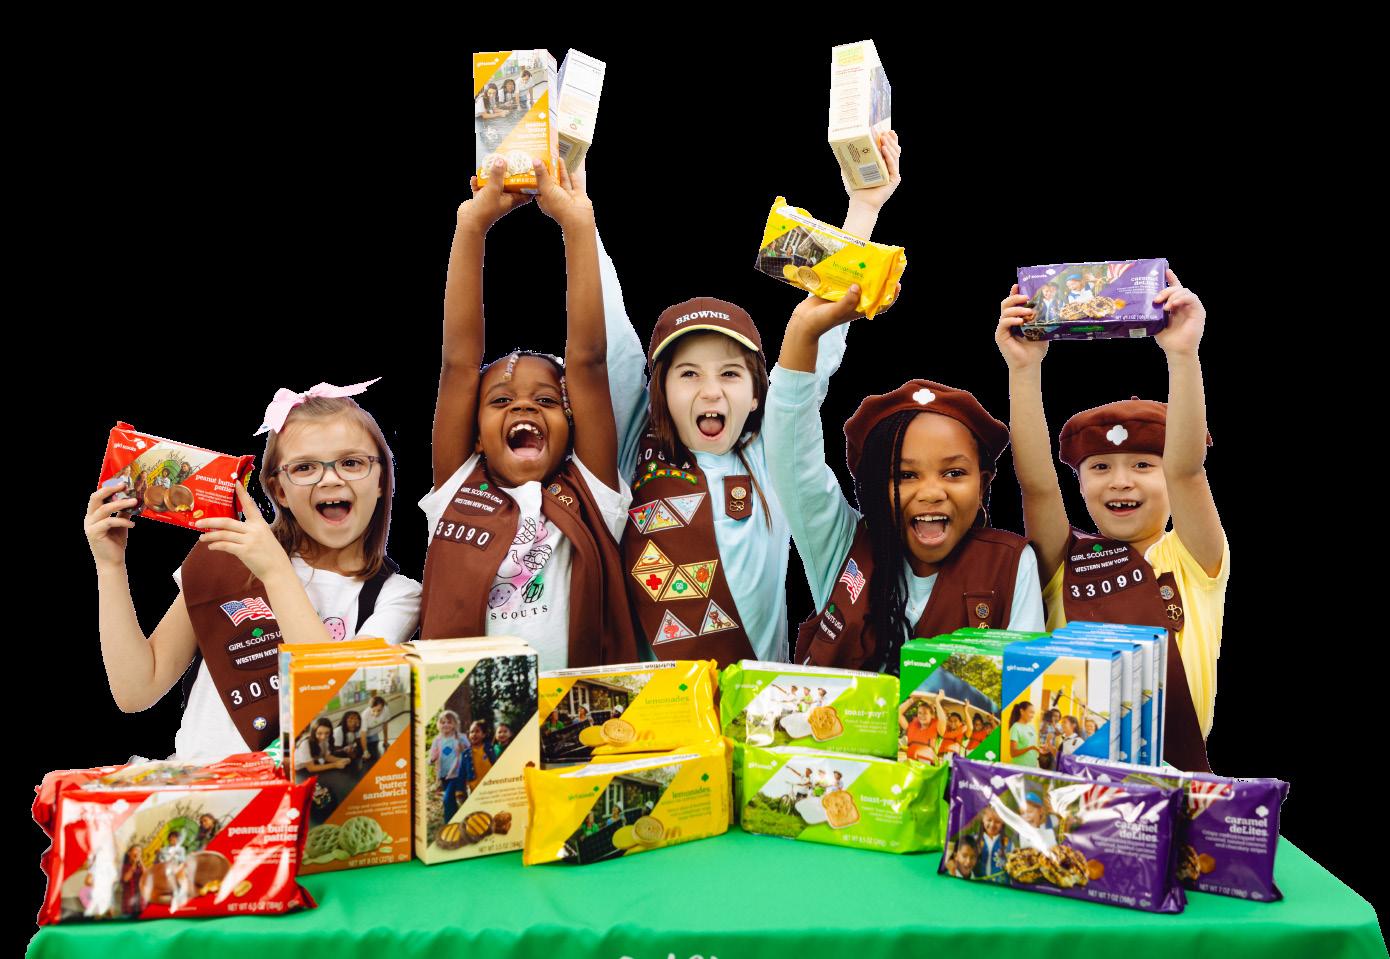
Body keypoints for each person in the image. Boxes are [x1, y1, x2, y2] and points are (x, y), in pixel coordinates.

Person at [603, 133, 903, 665]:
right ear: (659, 391)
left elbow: (818, 340)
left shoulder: (770, 455)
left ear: (758, 392)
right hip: (658, 706)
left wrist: (863, 206)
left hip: (758, 701)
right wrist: (577, 214)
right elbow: (608, 341)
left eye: (730, 374)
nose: (711, 391)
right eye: (688, 374)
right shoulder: (631, 451)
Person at [86, 383, 421, 761]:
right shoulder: (225, 556)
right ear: (279, 490)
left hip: (300, 795)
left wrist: (276, 573)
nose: (330, 479)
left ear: (381, 479)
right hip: (198, 790)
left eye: (352, 463)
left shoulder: (398, 596)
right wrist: (110, 566)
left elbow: (336, 707)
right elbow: (136, 690)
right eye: (305, 467)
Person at [996, 269, 1225, 772]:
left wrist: (1183, 355)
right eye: (1099, 468)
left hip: (1174, 778)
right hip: (1067, 777)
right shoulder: (1065, 563)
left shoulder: (1192, 559)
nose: (1120, 482)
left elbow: (1187, 470)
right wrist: (1023, 369)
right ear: (1080, 482)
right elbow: (1037, 486)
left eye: (1143, 465)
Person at [419, 158, 636, 670]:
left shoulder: (592, 492)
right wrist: (471, 226)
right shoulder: (457, 488)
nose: (522, 406)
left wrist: (577, 224)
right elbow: (458, 364)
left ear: (571, 426)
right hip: (469, 714)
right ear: (475, 435)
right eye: (500, 401)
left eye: (546, 401)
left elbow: (588, 360)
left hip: (581, 714)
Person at [768, 352, 1046, 671]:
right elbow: (792, 456)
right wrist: (805, 333)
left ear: (982, 485)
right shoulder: (842, 547)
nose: (931, 493)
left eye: (954, 473)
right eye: (905, 475)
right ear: (874, 487)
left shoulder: (1011, 564)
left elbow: (1026, 682)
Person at [429, 709, 473, 823]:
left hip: (457, 773)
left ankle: (449, 823)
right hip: (444, 774)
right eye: (443, 722)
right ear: (439, 724)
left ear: (454, 724)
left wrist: (463, 749)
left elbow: (470, 751)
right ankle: (461, 820)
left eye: (449, 722)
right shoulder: (437, 740)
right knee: (453, 799)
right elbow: (431, 757)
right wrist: (432, 759)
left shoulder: (460, 737)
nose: (446, 725)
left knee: (447, 798)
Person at [900, 697, 944, 763]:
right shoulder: (911, 727)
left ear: (932, 715)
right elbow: (898, 713)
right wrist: (913, 699)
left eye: (925, 713)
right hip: (911, 764)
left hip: (927, 766)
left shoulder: (938, 729)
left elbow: (942, 720)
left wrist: (937, 702)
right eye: (919, 713)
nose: (922, 716)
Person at [973, 805, 1009, 883]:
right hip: (977, 884)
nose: (992, 825)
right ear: (983, 819)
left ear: (1003, 822)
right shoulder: (973, 840)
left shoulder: (1009, 844)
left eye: (997, 821)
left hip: (1002, 886)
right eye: (989, 820)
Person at [1008, 702, 1041, 767]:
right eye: (1031, 712)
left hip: (1033, 766)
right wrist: (1031, 748)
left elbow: (1033, 744)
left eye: (1033, 713)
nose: (1032, 716)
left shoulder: (1032, 726)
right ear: (1022, 711)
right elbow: (1013, 753)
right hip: (1020, 768)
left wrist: (1040, 748)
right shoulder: (1015, 727)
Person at [468, 719, 494, 789]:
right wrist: (459, 790)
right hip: (474, 788)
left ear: (483, 735)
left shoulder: (490, 750)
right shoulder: (466, 754)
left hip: (489, 786)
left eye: (477, 731)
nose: (474, 734)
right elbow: (462, 773)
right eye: (471, 732)